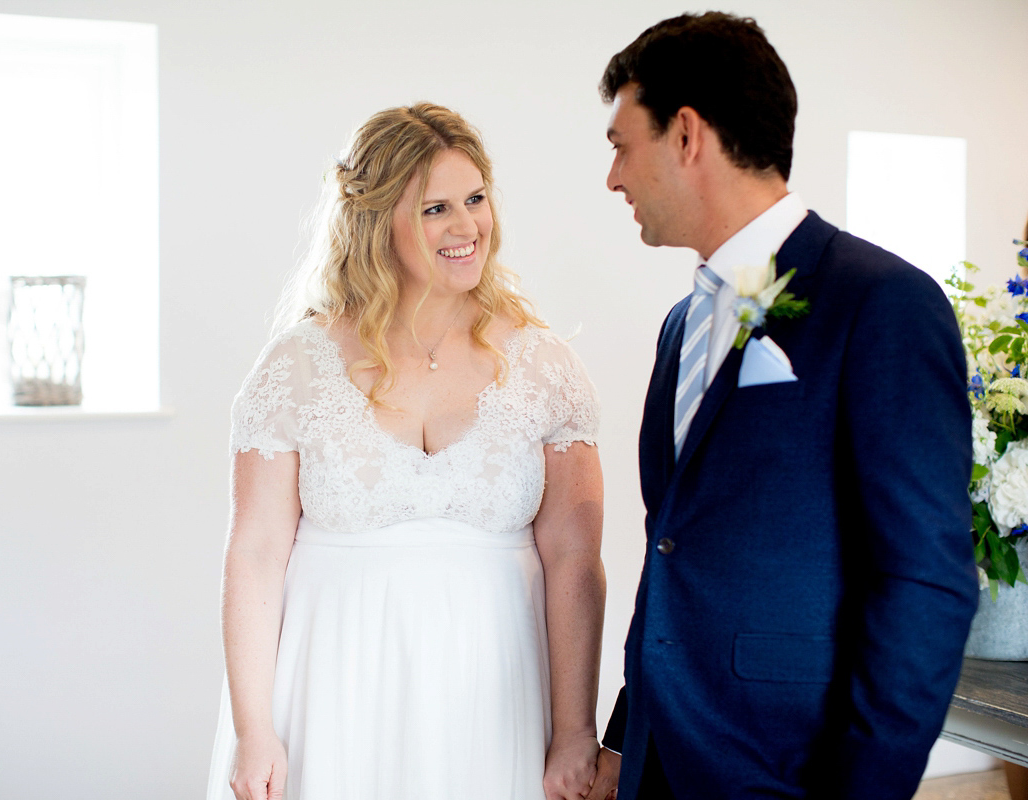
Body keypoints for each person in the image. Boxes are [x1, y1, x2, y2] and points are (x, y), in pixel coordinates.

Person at [586, 12, 978, 800]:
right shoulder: (681, 325)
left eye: (622, 146)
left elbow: (925, 583)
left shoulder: (884, 304)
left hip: (787, 770)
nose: (615, 178)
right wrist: (627, 742)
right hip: (662, 761)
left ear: (687, 135)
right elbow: (673, 548)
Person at [207, 103, 606, 800]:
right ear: (375, 220)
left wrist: (574, 730)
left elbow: (575, 559)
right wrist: (255, 728)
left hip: (498, 695)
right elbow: (255, 553)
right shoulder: (297, 365)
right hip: (334, 689)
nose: (466, 227)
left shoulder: (545, 366)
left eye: (476, 199)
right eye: (435, 209)